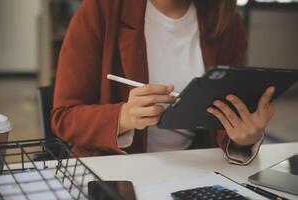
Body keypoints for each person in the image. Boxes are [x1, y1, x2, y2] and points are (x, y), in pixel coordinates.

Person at [52, 0, 275, 165]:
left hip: (191, 169)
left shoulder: (226, 22)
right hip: (112, 172)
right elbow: (64, 117)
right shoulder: (101, 10)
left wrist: (243, 139)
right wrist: (123, 117)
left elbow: (223, 124)